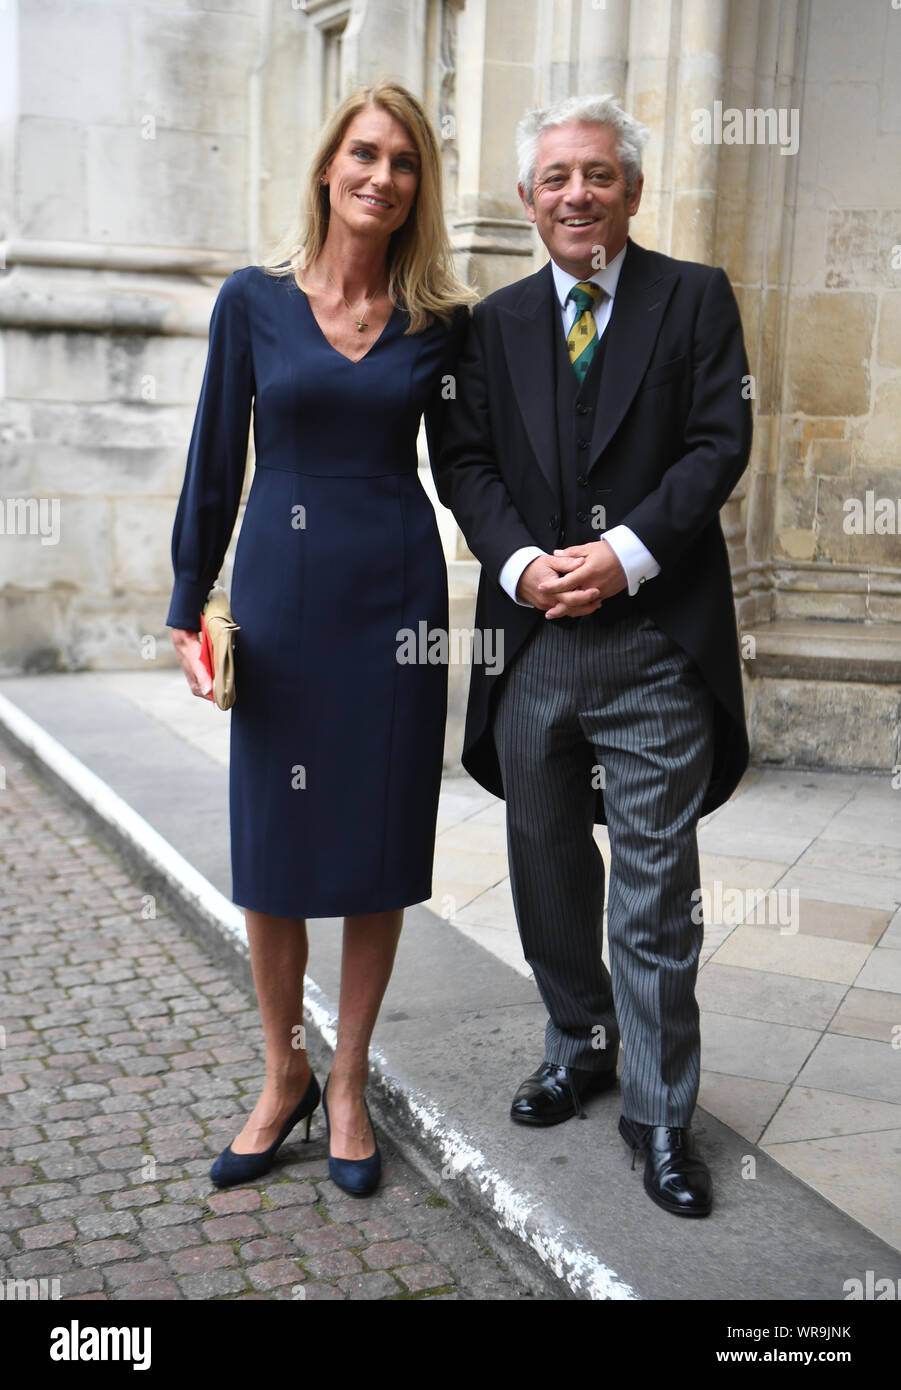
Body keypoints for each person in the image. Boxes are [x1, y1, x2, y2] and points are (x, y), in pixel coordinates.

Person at [436, 94, 752, 1217]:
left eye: (600, 175)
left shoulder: (695, 299)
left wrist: (621, 556)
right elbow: (463, 458)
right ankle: (580, 1039)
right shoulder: (488, 324)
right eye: (557, 178)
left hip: (657, 642)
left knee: (657, 888)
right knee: (546, 860)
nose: (578, 194)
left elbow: (721, 441)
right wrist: (523, 565)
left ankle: (662, 1113)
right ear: (527, 200)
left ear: (632, 188)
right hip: (532, 641)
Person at [166, 82, 473, 1197]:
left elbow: (472, 467)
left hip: (395, 601)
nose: (381, 176)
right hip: (283, 602)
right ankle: (278, 1071)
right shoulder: (251, 302)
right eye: (364, 153)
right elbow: (213, 460)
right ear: (328, 167)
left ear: (415, 190)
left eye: (402, 162)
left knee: (379, 841)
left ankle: (346, 1079)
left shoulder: (442, 323)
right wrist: (185, 603)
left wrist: (544, 559)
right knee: (277, 848)